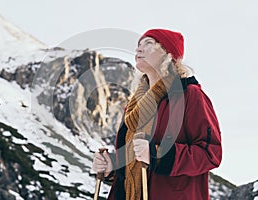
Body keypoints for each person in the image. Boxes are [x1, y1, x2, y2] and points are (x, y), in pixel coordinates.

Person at [92, 28, 222, 200]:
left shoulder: (190, 95)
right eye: (138, 45)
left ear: (168, 55)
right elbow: (134, 162)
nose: (139, 49)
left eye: (149, 44)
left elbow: (210, 153)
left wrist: (158, 155)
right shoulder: (135, 104)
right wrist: (111, 166)